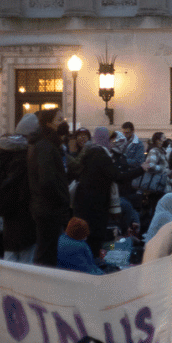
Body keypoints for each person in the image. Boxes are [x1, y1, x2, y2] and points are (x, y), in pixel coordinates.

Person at [73, 127, 143, 257]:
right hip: (95, 207)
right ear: (104, 140)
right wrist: (141, 169)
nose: (113, 143)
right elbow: (118, 177)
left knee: (92, 239)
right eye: (111, 140)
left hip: (88, 205)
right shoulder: (100, 155)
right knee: (95, 239)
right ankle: (92, 269)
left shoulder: (93, 153)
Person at [28, 110, 71, 266]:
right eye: (59, 119)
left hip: (49, 208)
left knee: (49, 250)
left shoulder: (50, 146)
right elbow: (48, 181)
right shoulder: (45, 147)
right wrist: (63, 199)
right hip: (48, 209)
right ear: (49, 124)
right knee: (46, 253)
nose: (63, 122)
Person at [0, 115, 39, 263]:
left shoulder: (2, 153)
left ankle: (7, 284)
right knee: (26, 259)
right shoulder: (26, 156)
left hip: (8, 213)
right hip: (24, 212)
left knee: (10, 255)